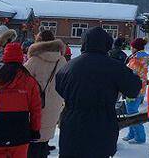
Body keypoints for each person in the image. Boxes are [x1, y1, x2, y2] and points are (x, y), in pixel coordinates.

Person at [55, 27, 141, 158]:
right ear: (107, 44)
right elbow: (133, 90)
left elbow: (59, 88)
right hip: (102, 125)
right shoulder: (115, 67)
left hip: (72, 125)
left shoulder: (69, 66)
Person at [0, 43, 41, 158]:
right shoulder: (29, 81)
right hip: (20, 132)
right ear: (21, 58)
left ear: (4, 58)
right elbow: (36, 109)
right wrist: (35, 130)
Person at [24, 33, 66, 157]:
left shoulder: (34, 60)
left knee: (33, 143)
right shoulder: (62, 60)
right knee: (44, 140)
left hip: (36, 106)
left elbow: (23, 79)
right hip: (55, 105)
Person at [123, 38, 149, 144]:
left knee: (132, 113)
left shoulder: (136, 60)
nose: (130, 49)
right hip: (141, 88)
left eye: (132, 47)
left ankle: (140, 136)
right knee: (131, 111)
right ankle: (132, 133)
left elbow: (128, 73)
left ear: (135, 48)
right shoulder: (143, 57)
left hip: (133, 89)